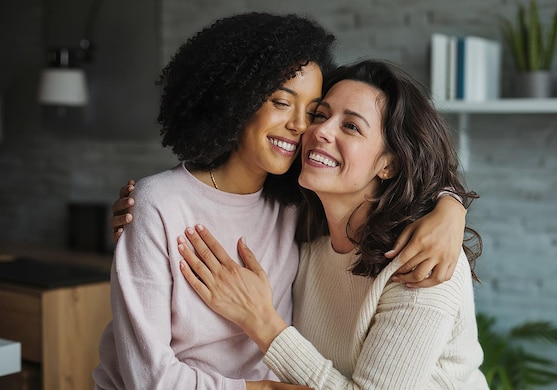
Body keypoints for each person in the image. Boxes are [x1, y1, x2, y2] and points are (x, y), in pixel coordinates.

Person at [95, 12, 467, 390]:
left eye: (314, 111)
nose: (309, 128)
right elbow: (147, 378)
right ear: (237, 100)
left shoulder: (308, 215)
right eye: (283, 103)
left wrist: (451, 205)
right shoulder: (295, 215)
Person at [177, 60, 488, 389]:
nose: (319, 131)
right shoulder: (304, 232)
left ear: (389, 164)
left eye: (351, 126)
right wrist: (143, 207)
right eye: (320, 115)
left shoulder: (422, 265)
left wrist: (261, 322)